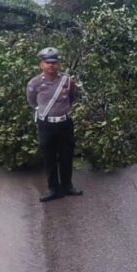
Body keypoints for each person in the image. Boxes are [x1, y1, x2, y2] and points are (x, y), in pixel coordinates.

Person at [26, 47, 83, 202]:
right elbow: (32, 101)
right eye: (47, 62)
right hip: (46, 125)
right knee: (49, 157)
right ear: (41, 65)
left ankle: (67, 186)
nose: (51, 65)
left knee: (67, 155)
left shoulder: (67, 81)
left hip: (65, 123)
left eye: (54, 62)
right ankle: (53, 189)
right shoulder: (34, 83)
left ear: (58, 64)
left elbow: (72, 98)